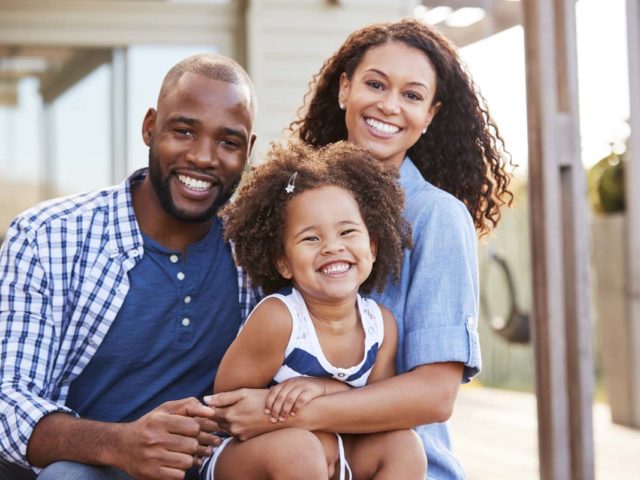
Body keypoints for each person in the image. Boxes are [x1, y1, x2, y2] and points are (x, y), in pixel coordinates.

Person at [206, 18, 513, 479]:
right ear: (345, 88)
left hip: (398, 463)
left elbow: (435, 395)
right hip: (291, 459)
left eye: (412, 95)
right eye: (375, 84)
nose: (389, 106)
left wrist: (289, 409)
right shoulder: (294, 201)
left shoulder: (436, 217)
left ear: (430, 114)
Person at [0, 53, 258, 480]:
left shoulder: (257, 252)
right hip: (90, 468)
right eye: (184, 131)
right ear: (149, 127)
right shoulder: (48, 236)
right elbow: (6, 398)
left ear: (248, 150)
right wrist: (120, 444)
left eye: (228, 142)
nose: (203, 157)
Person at [201, 141, 425, 480]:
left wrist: (323, 390)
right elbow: (228, 407)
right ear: (283, 262)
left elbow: (377, 411)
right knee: (301, 450)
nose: (333, 247)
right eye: (311, 239)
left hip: (335, 454)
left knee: (404, 445)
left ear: (373, 246)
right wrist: (303, 424)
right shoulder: (280, 319)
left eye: (347, 232)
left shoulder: (381, 327)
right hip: (248, 459)